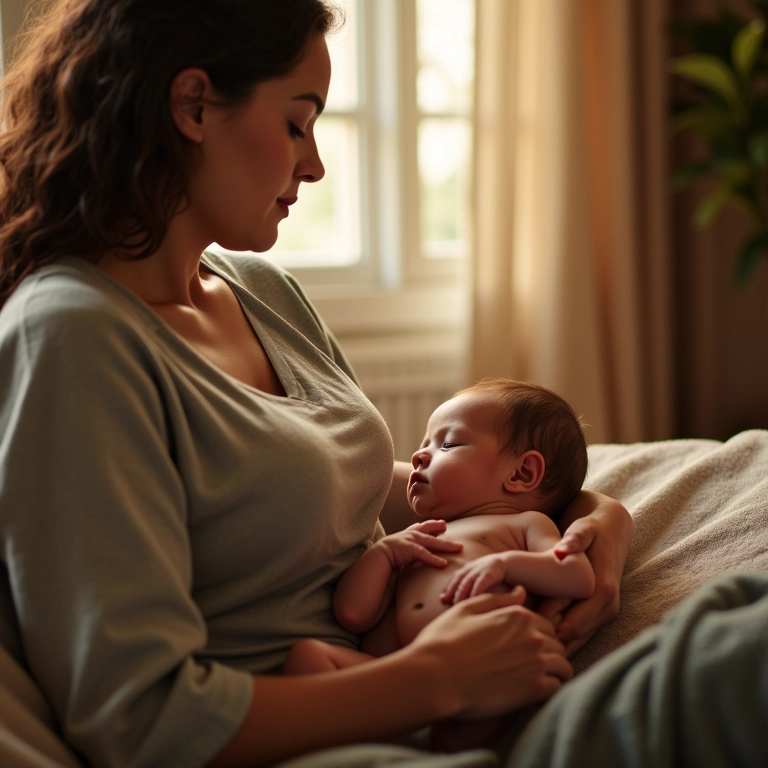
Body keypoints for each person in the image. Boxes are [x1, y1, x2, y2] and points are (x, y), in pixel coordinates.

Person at [0, 1, 633, 767]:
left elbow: (365, 494)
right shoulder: (73, 336)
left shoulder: (262, 290)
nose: (316, 163)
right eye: (298, 124)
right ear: (193, 105)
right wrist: (435, 681)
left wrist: (599, 521)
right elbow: (137, 718)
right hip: (334, 735)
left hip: (449, 691)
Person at [285, 378, 597, 676]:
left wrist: (505, 565)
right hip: (393, 681)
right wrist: (384, 553)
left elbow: (577, 576)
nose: (419, 456)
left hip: (481, 671)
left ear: (522, 473)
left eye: (447, 444)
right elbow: (353, 614)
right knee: (308, 656)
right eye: (424, 444)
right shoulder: (418, 537)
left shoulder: (525, 524)